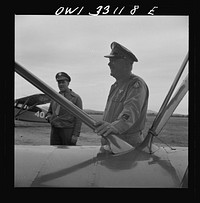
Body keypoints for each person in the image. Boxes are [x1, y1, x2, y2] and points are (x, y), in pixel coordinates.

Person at [94, 42, 149, 147]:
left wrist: (115, 127)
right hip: (112, 140)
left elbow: (131, 111)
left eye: (113, 61)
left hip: (126, 143)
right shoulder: (115, 86)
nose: (109, 64)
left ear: (126, 64)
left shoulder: (136, 84)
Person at [45, 72, 83, 145]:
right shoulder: (54, 97)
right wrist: (50, 118)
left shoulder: (76, 98)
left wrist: (75, 135)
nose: (61, 84)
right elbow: (49, 112)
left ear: (68, 83)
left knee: (67, 154)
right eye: (59, 82)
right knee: (54, 153)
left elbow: (79, 118)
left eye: (63, 82)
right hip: (55, 130)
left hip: (67, 131)